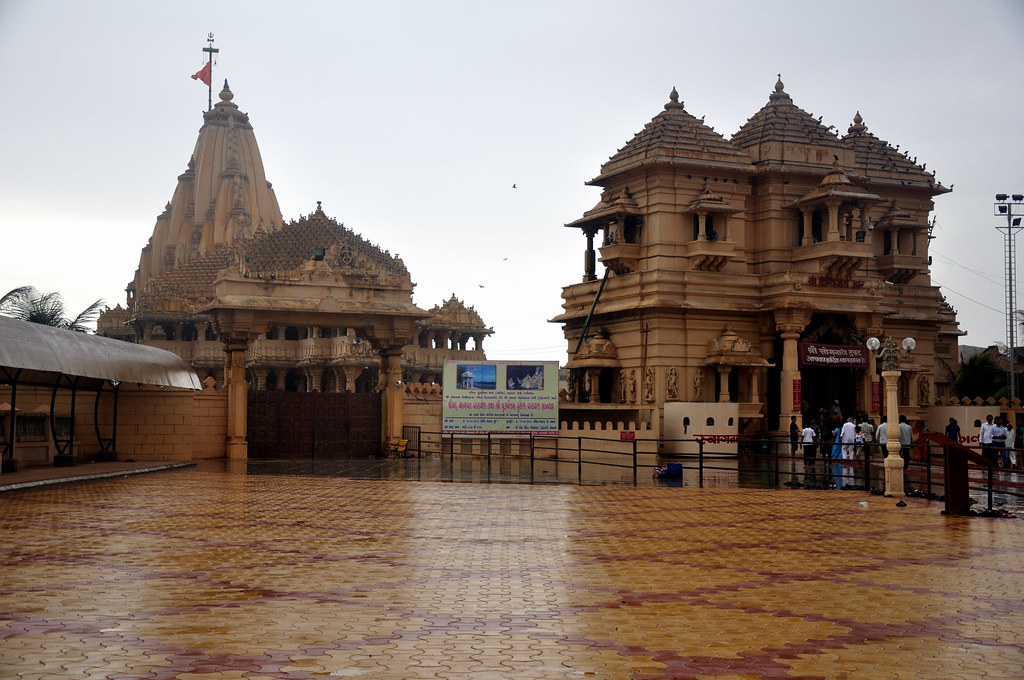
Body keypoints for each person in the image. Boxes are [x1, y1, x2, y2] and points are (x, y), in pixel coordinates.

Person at [801, 418, 818, 483]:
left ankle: (805, 465)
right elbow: (814, 437)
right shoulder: (812, 430)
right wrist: (816, 443)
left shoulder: (804, 430)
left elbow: (802, 437)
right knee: (811, 454)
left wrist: (800, 443)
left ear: (805, 425)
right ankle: (811, 465)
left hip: (805, 443)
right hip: (810, 443)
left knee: (805, 454)